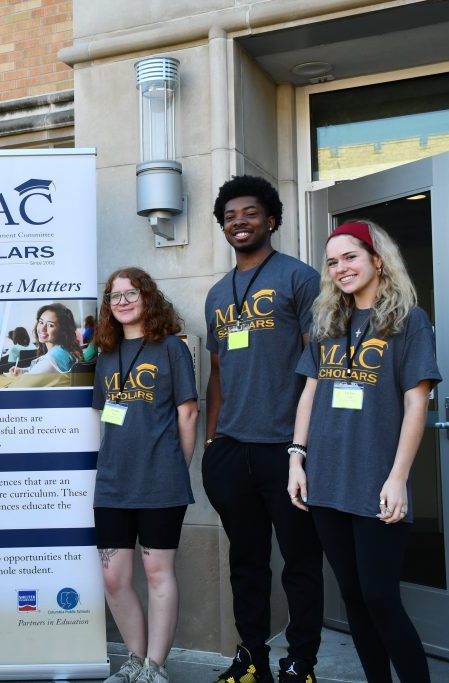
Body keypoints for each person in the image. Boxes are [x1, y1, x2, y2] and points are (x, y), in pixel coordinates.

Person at [289, 220, 438, 683]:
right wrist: (296, 458)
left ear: (377, 259)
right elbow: (310, 393)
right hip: (325, 480)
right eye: (332, 262)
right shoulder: (327, 322)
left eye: (350, 257)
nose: (341, 268)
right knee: (353, 597)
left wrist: (398, 477)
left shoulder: (408, 320)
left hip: (376, 479)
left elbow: (417, 403)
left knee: (380, 597)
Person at [202, 175, 324, 683]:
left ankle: (301, 662)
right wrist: (211, 441)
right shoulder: (217, 294)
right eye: (230, 217)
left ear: (271, 219)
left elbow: (321, 364)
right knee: (246, 563)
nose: (240, 222)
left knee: (300, 562)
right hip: (233, 449)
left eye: (250, 213)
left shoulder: (300, 278)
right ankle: (252, 657)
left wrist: (307, 444)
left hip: (287, 448)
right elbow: (217, 373)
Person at [93, 268, 197, 683]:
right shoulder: (106, 355)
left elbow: (188, 414)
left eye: (130, 293)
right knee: (113, 576)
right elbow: (104, 415)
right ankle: (135, 660)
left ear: (148, 297)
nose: (122, 302)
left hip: (160, 482)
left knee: (157, 573)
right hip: (112, 483)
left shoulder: (171, 348)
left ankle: (155, 667)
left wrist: (175, 468)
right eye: (114, 296)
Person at [8, 303, 82, 376]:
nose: (42, 328)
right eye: (41, 322)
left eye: (50, 325)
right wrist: (22, 371)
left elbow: (45, 368)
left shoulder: (50, 360)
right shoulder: (64, 351)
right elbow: (42, 370)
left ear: (63, 330)